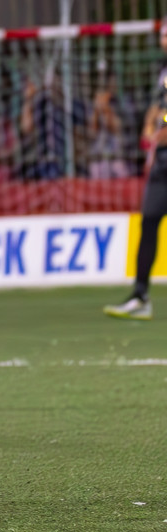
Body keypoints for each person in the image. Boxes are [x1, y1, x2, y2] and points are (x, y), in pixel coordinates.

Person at [105, 22, 167, 319]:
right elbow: (158, 107)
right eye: (163, 35)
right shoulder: (164, 71)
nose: (164, 40)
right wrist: (149, 128)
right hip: (164, 161)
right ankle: (140, 295)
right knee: (149, 222)